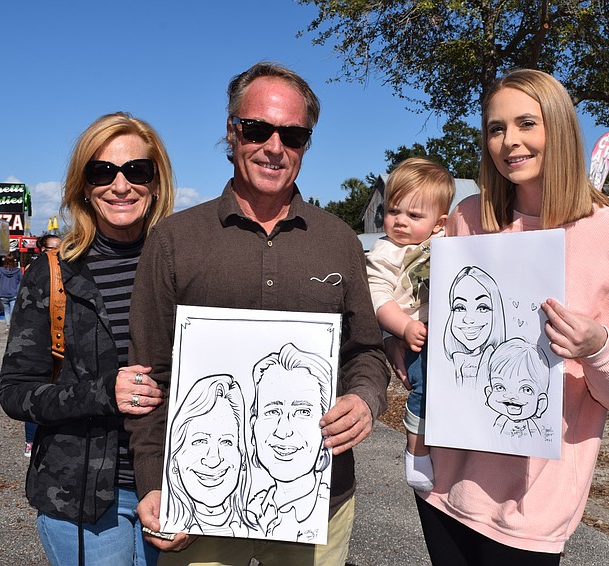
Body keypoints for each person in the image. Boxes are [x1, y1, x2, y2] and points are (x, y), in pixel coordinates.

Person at [386, 69, 609, 564]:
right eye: (496, 128)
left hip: (532, 509)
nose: (509, 142)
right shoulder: (467, 218)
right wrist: (406, 344)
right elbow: (434, 327)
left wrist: (599, 345)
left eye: (525, 124)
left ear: (558, 128)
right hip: (442, 485)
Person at [127, 62, 389, 566]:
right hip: (199, 509)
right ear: (231, 131)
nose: (274, 146)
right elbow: (150, 376)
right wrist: (154, 482)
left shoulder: (338, 240)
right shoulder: (174, 241)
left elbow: (367, 351)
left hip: (319, 502)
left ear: (306, 143)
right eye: (257, 129)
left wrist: (365, 398)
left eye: (292, 135)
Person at [0, 111, 175, 566]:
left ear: (156, 182)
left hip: (178, 486)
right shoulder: (52, 274)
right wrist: (103, 393)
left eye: (137, 170)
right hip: (84, 498)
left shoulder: (184, 268)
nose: (121, 185)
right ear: (84, 184)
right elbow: (15, 392)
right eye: (103, 171)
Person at [365, 157, 454, 492]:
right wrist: (401, 327)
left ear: (438, 222)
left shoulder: (444, 240)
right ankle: (416, 450)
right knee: (426, 387)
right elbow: (378, 298)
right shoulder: (386, 252)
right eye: (393, 211)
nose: (400, 221)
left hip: (445, 329)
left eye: (414, 216)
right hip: (414, 336)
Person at [248, 343, 333, 543]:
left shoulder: (319, 508)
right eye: (272, 411)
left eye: (303, 412)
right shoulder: (251, 506)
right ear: (254, 425)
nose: (283, 430)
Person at [165, 374, 252, 537]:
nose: (213, 459)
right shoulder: (165, 523)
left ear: (242, 456)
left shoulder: (267, 522)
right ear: (175, 456)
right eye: (200, 441)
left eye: (226, 442)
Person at [22, 233, 64, 457]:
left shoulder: (68, 268)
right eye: (52, 248)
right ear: (41, 249)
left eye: (60, 247)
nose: (56, 251)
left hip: (62, 342)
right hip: (40, 341)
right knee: (36, 392)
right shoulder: (36, 270)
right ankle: (30, 440)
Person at [443, 265, 506, 387]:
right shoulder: (445, 365)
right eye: (460, 307)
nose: (469, 319)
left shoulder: (502, 367)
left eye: (482, 307)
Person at [482, 337, 551, 437]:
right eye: (500, 387)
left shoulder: (534, 432)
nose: (511, 396)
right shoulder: (495, 425)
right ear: (489, 393)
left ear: (541, 403)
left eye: (526, 389)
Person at [0, 252, 22, 328]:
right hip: (14, 293)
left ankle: (8, 325)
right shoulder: (18, 271)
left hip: (3, 293)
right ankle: (12, 326)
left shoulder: (0, 270)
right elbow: (21, 281)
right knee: (13, 311)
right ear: (14, 261)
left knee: (6, 311)